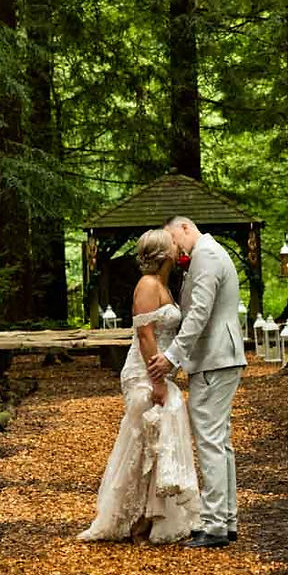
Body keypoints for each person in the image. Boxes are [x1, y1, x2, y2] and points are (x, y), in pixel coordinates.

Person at [77, 229, 199, 544]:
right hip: (144, 371)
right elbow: (145, 335)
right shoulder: (147, 285)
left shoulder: (163, 285)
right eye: (173, 243)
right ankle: (133, 518)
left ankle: (150, 514)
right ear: (164, 253)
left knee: (157, 436)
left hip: (159, 369)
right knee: (146, 436)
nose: (178, 245)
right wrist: (157, 381)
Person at [148, 216, 246, 549]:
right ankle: (226, 519)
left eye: (172, 239)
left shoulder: (207, 255)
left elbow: (200, 313)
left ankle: (216, 525)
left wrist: (171, 357)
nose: (172, 248)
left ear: (186, 228)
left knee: (210, 441)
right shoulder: (209, 253)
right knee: (220, 440)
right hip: (218, 358)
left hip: (215, 358)